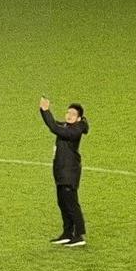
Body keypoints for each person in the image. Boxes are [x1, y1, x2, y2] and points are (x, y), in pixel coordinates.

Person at [39, 98, 90, 247]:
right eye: (68, 112)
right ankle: (67, 233)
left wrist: (46, 110)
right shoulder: (67, 126)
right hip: (61, 172)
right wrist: (44, 111)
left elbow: (55, 128)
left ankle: (79, 235)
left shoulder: (75, 130)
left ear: (79, 118)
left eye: (72, 114)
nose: (68, 115)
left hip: (69, 173)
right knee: (62, 203)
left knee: (71, 204)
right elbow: (53, 124)